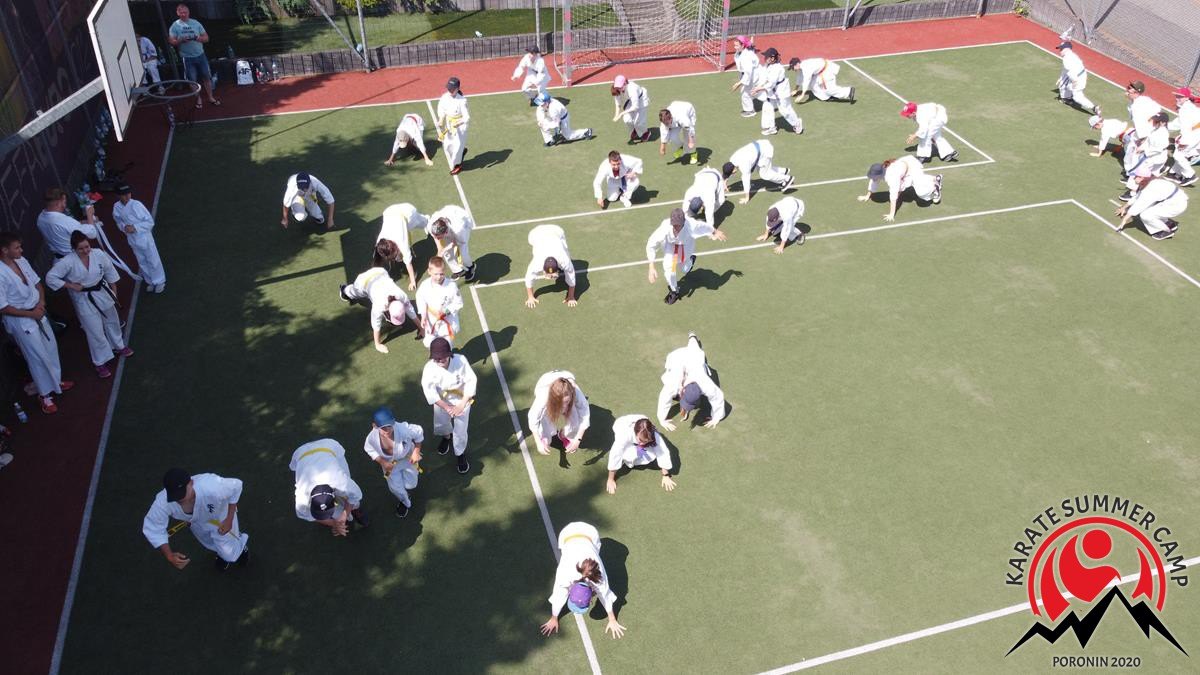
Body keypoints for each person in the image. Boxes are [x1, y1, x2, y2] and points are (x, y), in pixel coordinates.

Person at [0, 232, 73, 414]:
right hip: (22, 321)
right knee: (36, 357)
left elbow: (37, 283)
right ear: (4, 250)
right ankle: (45, 396)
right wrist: (31, 313)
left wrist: (41, 303)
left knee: (50, 348)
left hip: (38, 311)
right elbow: (4, 307)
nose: (21, 250)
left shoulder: (21, 260)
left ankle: (56, 382)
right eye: (17, 247)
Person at [45, 231, 133, 379]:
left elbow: (110, 272)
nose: (86, 250)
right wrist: (71, 285)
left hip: (102, 292)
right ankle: (100, 361)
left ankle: (119, 346)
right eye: (81, 248)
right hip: (84, 298)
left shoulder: (98, 254)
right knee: (94, 330)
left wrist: (114, 293)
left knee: (112, 321)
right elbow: (50, 278)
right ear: (74, 249)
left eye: (87, 246)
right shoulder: (67, 262)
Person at [142, 468, 248, 571]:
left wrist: (229, 519)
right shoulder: (162, 502)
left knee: (228, 552)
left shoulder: (211, 485)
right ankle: (221, 554)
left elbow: (236, 486)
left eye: (181, 493)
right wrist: (169, 555)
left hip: (221, 516)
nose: (179, 499)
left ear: (191, 483)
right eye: (174, 495)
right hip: (197, 523)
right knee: (209, 542)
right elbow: (154, 528)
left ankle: (240, 548)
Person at [539, 522, 625, 639]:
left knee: (594, 553)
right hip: (567, 534)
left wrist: (612, 619)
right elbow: (559, 596)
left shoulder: (599, 578)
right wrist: (554, 618)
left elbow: (604, 594)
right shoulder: (564, 575)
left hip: (591, 535)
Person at [646, 208, 727, 305]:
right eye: (674, 224)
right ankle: (674, 291)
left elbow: (703, 227)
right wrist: (651, 266)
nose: (676, 227)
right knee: (669, 271)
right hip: (671, 250)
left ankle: (690, 260)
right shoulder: (665, 227)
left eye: (678, 225)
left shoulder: (691, 225)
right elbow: (651, 243)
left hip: (686, 248)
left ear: (684, 222)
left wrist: (714, 231)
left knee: (685, 269)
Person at [421, 337, 476, 475]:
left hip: (462, 401)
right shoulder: (429, 369)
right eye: (436, 358)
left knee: (461, 430)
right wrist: (446, 407)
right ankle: (446, 437)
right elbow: (430, 392)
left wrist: (461, 405)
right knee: (441, 423)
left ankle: (460, 453)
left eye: (442, 357)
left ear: (449, 354)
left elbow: (471, 381)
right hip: (442, 402)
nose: (439, 360)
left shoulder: (461, 361)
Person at [291, 438, 368, 536]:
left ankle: (355, 509)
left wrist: (345, 514)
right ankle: (347, 512)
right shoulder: (302, 501)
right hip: (300, 454)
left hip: (329, 447)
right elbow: (307, 515)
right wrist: (334, 524)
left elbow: (355, 496)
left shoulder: (342, 482)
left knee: (349, 495)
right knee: (345, 500)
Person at [339, 266, 421, 354]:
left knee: (369, 292)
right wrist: (377, 344)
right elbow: (376, 324)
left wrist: (421, 328)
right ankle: (344, 290)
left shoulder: (402, 296)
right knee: (353, 293)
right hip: (363, 282)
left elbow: (410, 310)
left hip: (380, 272)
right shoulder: (379, 306)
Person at [363, 406, 423, 518]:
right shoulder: (371, 438)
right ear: (375, 426)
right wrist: (383, 462)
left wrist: (416, 451)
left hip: (408, 459)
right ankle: (404, 501)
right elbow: (369, 450)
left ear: (393, 422)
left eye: (390, 426)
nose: (388, 430)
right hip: (389, 465)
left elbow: (419, 432)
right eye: (383, 428)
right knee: (395, 488)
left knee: (411, 484)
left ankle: (407, 491)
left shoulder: (404, 430)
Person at [657, 332, 725, 430]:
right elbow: (664, 398)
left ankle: (692, 337)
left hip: (695, 357)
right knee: (670, 392)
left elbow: (718, 397)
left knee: (694, 346)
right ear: (683, 390)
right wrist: (662, 420)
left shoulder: (706, 384)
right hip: (676, 357)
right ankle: (692, 336)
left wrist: (716, 417)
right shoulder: (673, 382)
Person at [110, 184, 166, 293]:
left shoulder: (137, 205)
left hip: (144, 237)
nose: (127, 196)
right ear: (118, 196)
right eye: (124, 194)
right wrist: (124, 227)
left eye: (128, 193)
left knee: (152, 259)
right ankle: (150, 281)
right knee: (142, 261)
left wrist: (135, 227)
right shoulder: (116, 207)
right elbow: (118, 221)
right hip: (132, 239)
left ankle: (159, 281)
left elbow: (150, 222)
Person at [858, 157, 942, 222]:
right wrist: (867, 196)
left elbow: (893, 196)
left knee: (921, 193)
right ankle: (935, 178)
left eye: (874, 176)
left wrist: (891, 214)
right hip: (905, 166)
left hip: (913, 168)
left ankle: (935, 188)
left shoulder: (891, 177)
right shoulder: (881, 170)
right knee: (903, 188)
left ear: (880, 175)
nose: (873, 178)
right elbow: (873, 181)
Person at [168, 3, 219, 109]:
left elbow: (206, 38)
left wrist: (196, 38)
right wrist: (180, 40)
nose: (183, 14)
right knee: (192, 80)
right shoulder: (175, 25)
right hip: (187, 58)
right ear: (178, 13)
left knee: (206, 77)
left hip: (200, 55)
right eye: (181, 12)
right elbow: (171, 41)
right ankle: (198, 99)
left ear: (188, 12)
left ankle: (210, 97)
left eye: (185, 12)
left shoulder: (196, 23)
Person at [606, 415, 675, 494]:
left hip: (639, 423)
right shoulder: (624, 434)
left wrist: (666, 475)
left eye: (646, 441)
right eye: (640, 440)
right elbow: (615, 455)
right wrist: (610, 479)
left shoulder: (654, 435)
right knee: (629, 456)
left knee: (647, 453)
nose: (642, 444)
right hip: (620, 425)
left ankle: (641, 445)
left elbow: (663, 453)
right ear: (635, 433)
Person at [527, 371, 590, 455]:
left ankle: (563, 435)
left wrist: (578, 440)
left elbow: (585, 415)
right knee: (545, 424)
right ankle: (545, 437)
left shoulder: (576, 392)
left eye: (567, 402)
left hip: (566, 387)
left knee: (576, 420)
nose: (564, 407)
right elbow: (533, 418)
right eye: (560, 404)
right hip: (544, 384)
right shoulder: (543, 396)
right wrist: (538, 442)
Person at [373, 203, 429, 290]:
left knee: (421, 222)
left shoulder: (401, 240)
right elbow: (377, 257)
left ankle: (427, 220)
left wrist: (413, 281)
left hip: (408, 213)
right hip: (389, 212)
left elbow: (408, 263)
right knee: (399, 257)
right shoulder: (380, 243)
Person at [1116, 175, 1188, 241]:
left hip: (1176, 205)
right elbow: (1137, 197)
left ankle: (1164, 231)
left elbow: (1139, 205)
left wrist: (1125, 219)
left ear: (1143, 179)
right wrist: (1124, 207)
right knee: (1149, 209)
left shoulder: (1150, 190)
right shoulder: (1151, 182)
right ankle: (1168, 223)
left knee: (1145, 215)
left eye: (1138, 179)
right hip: (1174, 201)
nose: (1136, 181)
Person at [722, 139, 794, 204]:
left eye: (732, 172)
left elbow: (746, 181)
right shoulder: (732, 159)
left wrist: (747, 198)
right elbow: (728, 171)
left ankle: (787, 179)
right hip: (760, 147)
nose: (733, 173)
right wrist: (725, 182)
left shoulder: (744, 166)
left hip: (765, 151)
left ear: (734, 169)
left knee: (764, 175)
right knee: (763, 169)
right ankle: (783, 171)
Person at [524, 224, 577, 308]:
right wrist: (530, 297)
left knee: (566, 254)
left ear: (557, 269)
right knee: (531, 241)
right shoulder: (537, 263)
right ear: (543, 269)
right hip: (536, 233)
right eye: (549, 275)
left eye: (552, 275)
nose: (551, 277)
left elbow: (571, 276)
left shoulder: (564, 260)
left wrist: (571, 297)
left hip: (557, 231)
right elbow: (529, 278)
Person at [751, 48, 802, 135]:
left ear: (773, 58)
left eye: (767, 57)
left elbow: (771, 83)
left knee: (785, 110)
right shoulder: (768, 65)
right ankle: (770, 127)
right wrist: (758, 87)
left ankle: (797, 123)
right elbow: (765, 79)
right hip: (772, 92)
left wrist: (758, 89)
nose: (765, 58)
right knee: (767, 106)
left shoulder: (777, 69)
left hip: (781, 91)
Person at [37, 187, 99, 258]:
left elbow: (65, 228)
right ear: (59, 203)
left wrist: (84, 222)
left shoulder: (40, 218)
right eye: (64, 202)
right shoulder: (63, 220)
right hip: (74, 258)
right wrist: (90, 215)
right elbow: (92, 233)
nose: (65, 205)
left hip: (58, 258)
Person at [1120, 112, 1171, 199]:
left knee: (1138, 172)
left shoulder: (1162, 134)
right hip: (1157, 157)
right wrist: (1141, 147)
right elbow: (1148, 141)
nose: (1154, 122)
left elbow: (1159, 148)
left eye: (1157, 121)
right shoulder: (1156, 130)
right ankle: (1145, 190)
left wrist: (1144, 150)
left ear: (1163, 123)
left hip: (1153, 157)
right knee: (1151, 175)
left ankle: (1132, 192)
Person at [415, 257, 463, 347]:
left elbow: (458, 303)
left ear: (444, 271)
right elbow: (421, 300)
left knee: (446, 346)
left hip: (447, 321)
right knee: (430, 344)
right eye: (435, 274)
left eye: (441, 274)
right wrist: (423, 315)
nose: (439, 277)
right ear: (429, 271)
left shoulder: (451, 286)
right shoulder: (425, 286)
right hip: (431, 320)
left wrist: (446, 311)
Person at [426, 204, 476, 281]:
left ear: (446, 232)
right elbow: (439, 246)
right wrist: (442, 251)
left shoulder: (459, 230)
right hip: (449, 212)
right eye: (436, 236)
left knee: (462, 253)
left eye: (439, 237)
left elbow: (458, 243)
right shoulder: (431, 226)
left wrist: (449, 247)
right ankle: (458, 270)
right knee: (446, 252)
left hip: (464, 221)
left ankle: (471, 266)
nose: (437, 238)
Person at [436, 77, 470, 175]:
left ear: (457, 89)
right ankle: (462, 152)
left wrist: (459, 123)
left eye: (452, 89)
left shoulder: (462, 101)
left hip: (460, 127)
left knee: (457, 149)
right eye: (449, 88)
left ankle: (458, 165)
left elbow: (466, 117)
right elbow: (441, 108)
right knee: (447, 146)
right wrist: (441, 119)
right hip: (449, 124)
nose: (449, 90)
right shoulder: (444, 97)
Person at [1167, 87, 1199, 187]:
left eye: (1180, 97)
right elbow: (1178, 123)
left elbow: (1186, 127)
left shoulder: (1185, 109)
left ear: (1186, 98)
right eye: (1177, 96)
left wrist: (1184, 141)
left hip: (1193, 135)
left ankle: (1190, 175)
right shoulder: (1187, 107)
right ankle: (1174, 174)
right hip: (1195, 133)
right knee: (1181, 154)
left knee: (1178, 154)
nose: (1177, 98)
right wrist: (1165, 127)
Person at [1055, 41, 1097, 114]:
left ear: (1067, 49)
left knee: (1077, 96)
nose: (1060, 51)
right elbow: (1066, 70)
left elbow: (1070, 72)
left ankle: (1093, 107)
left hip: (1077, 78)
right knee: (1067, 85)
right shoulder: (1072, 55)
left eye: (1061, 49)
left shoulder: (1066, 58)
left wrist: (1074, 82)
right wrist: (1061, 78)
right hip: (1081, 75)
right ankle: (1067, 98)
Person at [788, 57, 854, 103]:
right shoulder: (801, 68)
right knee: (813, 85)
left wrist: (802, 95)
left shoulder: (806, 68)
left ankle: (848, 92)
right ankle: (826, 97)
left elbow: (806, 81)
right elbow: (799, 77)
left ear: (797, 64)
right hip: (819, 72)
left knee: (829, 89)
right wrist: (795, 89)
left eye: (793, 67)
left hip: (827, 70)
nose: (793, 69)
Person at [611, 75, 651, 143]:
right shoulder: (617, 89)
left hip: (641, 100)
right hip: (631, 101)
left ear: (625, 83)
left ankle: (646, 133)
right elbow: (618, 104)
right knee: (627, 119)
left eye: (620, 87)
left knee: (638, 122)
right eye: (617, 87)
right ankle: (635, 130)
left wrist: (621, 113)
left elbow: (635, 107)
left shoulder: (632, 89)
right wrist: (616, 115)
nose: (619, 89)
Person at [730, 36, 760, 117]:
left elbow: (748, 73)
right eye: (734, 45)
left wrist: (738, 83)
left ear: (742, 45)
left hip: (752, 75)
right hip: (746, 74)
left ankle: (750, 111)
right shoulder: (742, 51)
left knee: (745, 93)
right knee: (749, 91)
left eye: (737, 45)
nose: (735, 47)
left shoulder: (746, 57)